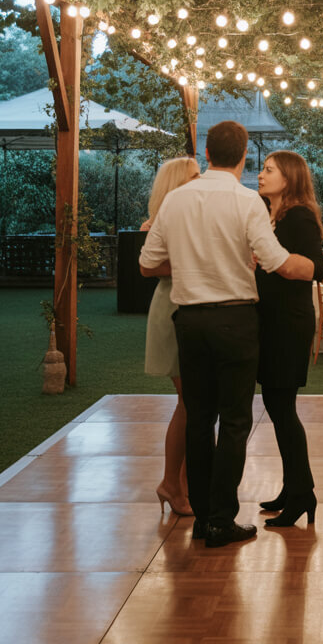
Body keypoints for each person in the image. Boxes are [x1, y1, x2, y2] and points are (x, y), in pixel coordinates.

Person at [139, 121, 315, 548]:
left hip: (190, 321)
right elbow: (274, 260)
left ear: (208, 153)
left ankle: (201, 517)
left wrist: (194, 264)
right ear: (242, 156)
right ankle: (221, 517)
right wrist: (310, 267)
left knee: (199, 419)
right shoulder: (246, 201)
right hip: (236, 321)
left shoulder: (177, 200)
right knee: (235, 422)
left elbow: (147, 262)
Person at [255, 151, 323, 528]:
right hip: (273, 323)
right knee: (278, 406)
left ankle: (302, 494)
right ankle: (293, 487)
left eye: (269, 170)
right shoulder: (272, 214)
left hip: (288, 324)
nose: (260, 174)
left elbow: (319, 268)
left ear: (290, 178)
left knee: (282, 409)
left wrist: (270, 260)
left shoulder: (297, 216)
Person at [141, 155, 200, 516]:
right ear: (177, 183)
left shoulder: (191, 217)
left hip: (191, 310)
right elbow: (150, 268)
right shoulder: (158, 222)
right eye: (194, 176)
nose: (200, 180)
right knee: (191, 401)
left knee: (194, 402)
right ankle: (171, 483)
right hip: (172, 311)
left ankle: (184, 484)